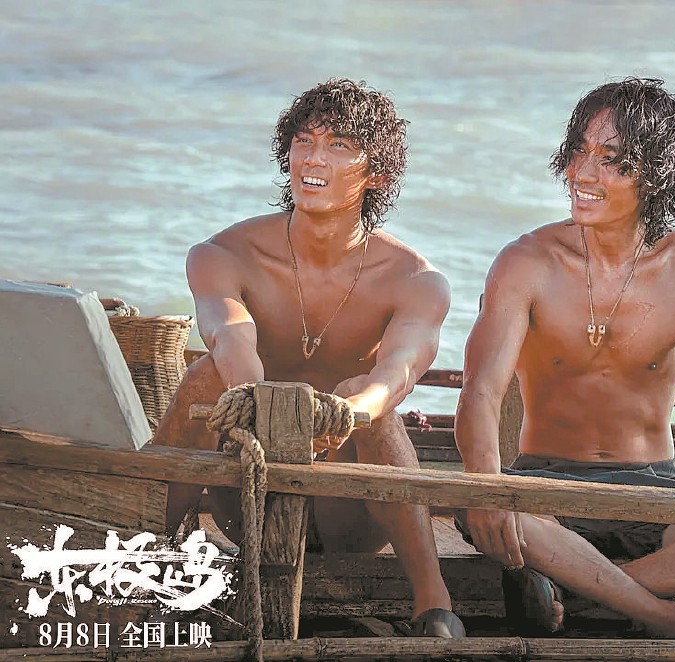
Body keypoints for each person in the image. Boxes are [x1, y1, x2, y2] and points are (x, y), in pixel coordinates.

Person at [454, 78, 675, 640]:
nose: (583, 173)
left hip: (658, 491)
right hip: (547, 484)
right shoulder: (526, 262)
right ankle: (670, 617)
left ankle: (576, 592)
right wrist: (487, 489)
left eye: (611, 160)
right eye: (579, 152)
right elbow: (481, 392)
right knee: (486, 512)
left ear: (654, 175)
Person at [153, 78, 464, 637]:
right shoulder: (224, 254)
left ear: (377, 174)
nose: (314, 158)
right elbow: (227, 336)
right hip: (251, 491)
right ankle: (144, 554)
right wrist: (263, 402)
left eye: (339, 145)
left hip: (350, 510)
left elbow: (400, 370)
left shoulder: (415, 280)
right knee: (204, 377)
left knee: (371, 404)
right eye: (304, 141)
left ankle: (433, 604)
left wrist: (351, 411)